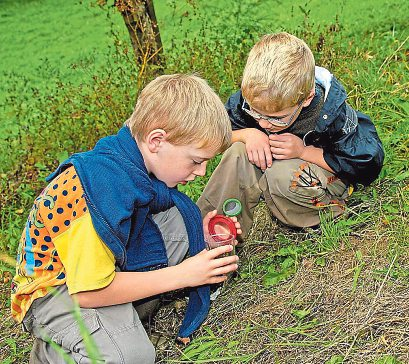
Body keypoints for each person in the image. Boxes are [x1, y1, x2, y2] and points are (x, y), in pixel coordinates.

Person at [10, 74, 241, 363]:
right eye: (196, 160)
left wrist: (199, 235)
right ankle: (55, 352)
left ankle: (116, 324)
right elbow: (89, 293)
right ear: (157, 140)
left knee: (183, 224)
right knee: (131, 356)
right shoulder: (94, 192)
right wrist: (183, 274)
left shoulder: (130, 161)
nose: (202, 172)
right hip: (57, 291)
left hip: (96, 269)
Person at [197, 32, 384, 238]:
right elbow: (214, 134)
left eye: (277, 118)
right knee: (237, 152)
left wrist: (303, 151)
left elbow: (365, 163)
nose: (263, 123)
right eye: (254, 112)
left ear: (307, 98)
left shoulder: (331, 114)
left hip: (319, 173)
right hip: (274, 162)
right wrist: (247, 135)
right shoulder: (255, 97)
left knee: (281, 176)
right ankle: (209, 236)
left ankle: (331, 211)